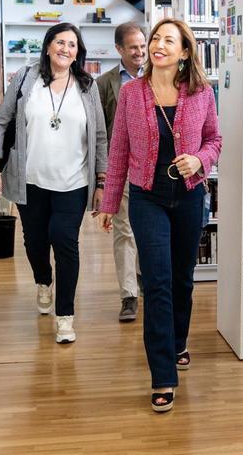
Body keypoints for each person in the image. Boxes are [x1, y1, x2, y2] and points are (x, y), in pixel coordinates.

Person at [98, 18, 221, 413]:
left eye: (169, 40)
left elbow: (215, 140)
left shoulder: (202, 93)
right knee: (157, 282)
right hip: (147, 197)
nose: (158, 45)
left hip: (188, 195)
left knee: (182, 279)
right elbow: (118, 150)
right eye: (156, 38)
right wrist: (109, 202)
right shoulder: (132, 93)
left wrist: (200, 159)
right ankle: (162, 374)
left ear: (184, 52)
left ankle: (178, 341)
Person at [0, 23, 108, 344]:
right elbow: (1, 122)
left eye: (72, 44)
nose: (66, 49)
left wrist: (101, 182)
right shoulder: (26, 79)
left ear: (78, 51)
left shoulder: (87, 86)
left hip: (74, 182)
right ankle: (43, 279)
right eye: (60, 42)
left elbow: (98, 136)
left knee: (64, 240)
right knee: (35, 243)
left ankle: (65, 317)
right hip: (31, 182)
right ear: (48, 46)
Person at [97, 22, 147, 322]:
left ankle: (143, 277)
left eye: (142, 45)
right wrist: (103, 177)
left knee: (147, 230)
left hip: (154, 168)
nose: (140, 52)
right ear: (119, 49)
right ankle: (129, 295)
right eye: (133, 47)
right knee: (124, 230)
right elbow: (101, 131)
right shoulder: (105, 83)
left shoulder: (161, 76)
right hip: (123, 167)